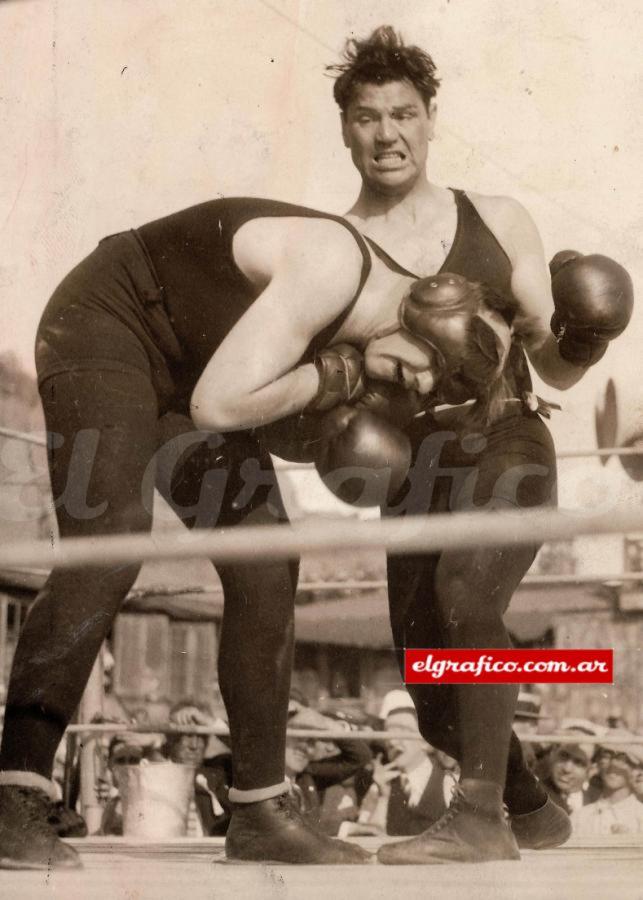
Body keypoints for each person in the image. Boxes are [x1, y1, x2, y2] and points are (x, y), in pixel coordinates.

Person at [0, 193, 511, 869]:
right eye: (427, 367)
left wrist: (327, 395)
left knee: (267, 559)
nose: (416, 386)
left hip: (187, 373)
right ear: (420, 316)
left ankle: (259, 808)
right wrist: (324, 379)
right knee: (110, 543)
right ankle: (14, 798)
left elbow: (261, 416)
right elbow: (221, 403)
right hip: (109, 321)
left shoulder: (383, 332)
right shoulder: (333, 266)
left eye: (435, 386)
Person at [325, 25, 633, 864]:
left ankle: (479, 818)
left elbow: (555, 366)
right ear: (344, 127)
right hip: (411, 468)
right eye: (365, 117)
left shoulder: (494, 219)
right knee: (430, 692)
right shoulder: (334, 246)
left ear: (430, 121)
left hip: (506, 440)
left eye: (402, 114)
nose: (385, 133)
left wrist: (588, 331)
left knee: (468, 593)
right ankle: (531, 808)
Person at [357, 691, 459, 836]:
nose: (392, 741)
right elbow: (367, 839)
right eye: (388, 733)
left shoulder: (449, 784)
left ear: (426, 741)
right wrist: (382, 797)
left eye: (402, 731)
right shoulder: (379, 786)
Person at [571, 742, 643, 836]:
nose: (613, 764)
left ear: (636, 769)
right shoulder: (579, 817)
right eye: (606, 756)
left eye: (623, 759)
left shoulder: (640, 815)